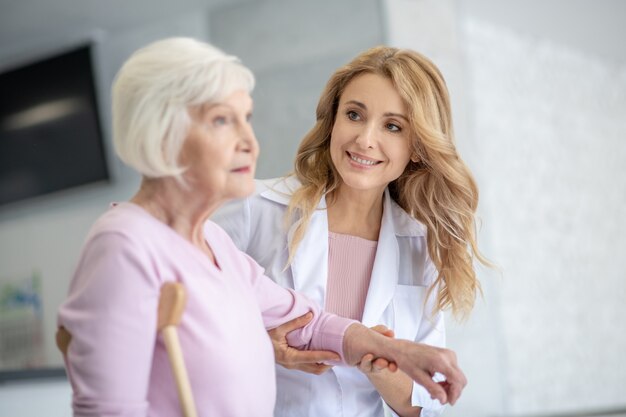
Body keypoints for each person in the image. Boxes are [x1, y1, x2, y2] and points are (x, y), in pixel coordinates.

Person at [56, 38, 467, 417]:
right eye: (221, 120)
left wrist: (389, 351)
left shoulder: (212, 242)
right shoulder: (128, 243)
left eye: (245, 118)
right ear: (165, 134)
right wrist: (265, 348)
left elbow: (309, 321)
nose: (250, 140)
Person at [213, 45, 489, 417]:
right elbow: (176, 320)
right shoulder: (254, 208)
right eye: (354, 115)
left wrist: (377, 360)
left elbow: (422, 408)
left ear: (419, 147)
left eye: (392, 126)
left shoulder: (421, 247)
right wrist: (265, 348)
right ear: (333, 120)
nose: (364, 139)